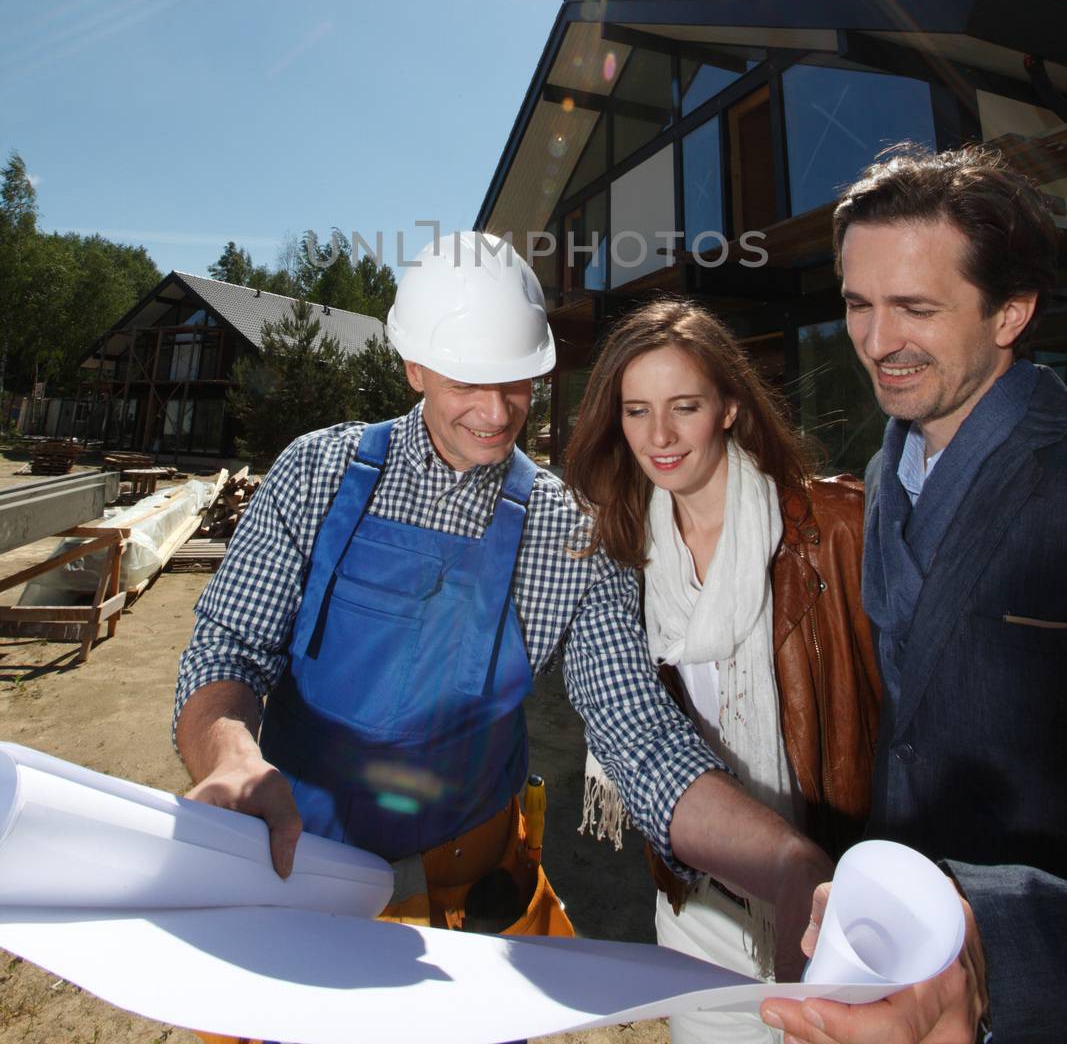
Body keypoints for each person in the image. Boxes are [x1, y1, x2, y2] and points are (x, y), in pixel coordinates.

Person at [175, 235, 832, 992]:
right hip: (293, 877)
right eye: (467, 384)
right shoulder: (317, 473)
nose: (495, 413)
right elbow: (230, 648)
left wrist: (786, 866)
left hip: (469, 904)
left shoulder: (568, 532)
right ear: (413, 367)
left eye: (517, 382)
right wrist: (229, 757)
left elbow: (638, 733)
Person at [762, 143, 1065, 1044]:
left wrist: (992, 944)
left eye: (915, 308)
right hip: (891, 955)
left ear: (1010, 312)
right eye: (858, 305)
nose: (876, 341)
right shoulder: (883, 474)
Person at [564, 298, 881, 1044]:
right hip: (696, 908)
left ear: (731, 406)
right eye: (637, 412)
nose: (660, 437)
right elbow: (631, 727)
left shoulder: (838, 531)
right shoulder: (618, 554)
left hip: (834, 904)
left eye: (684, 406)